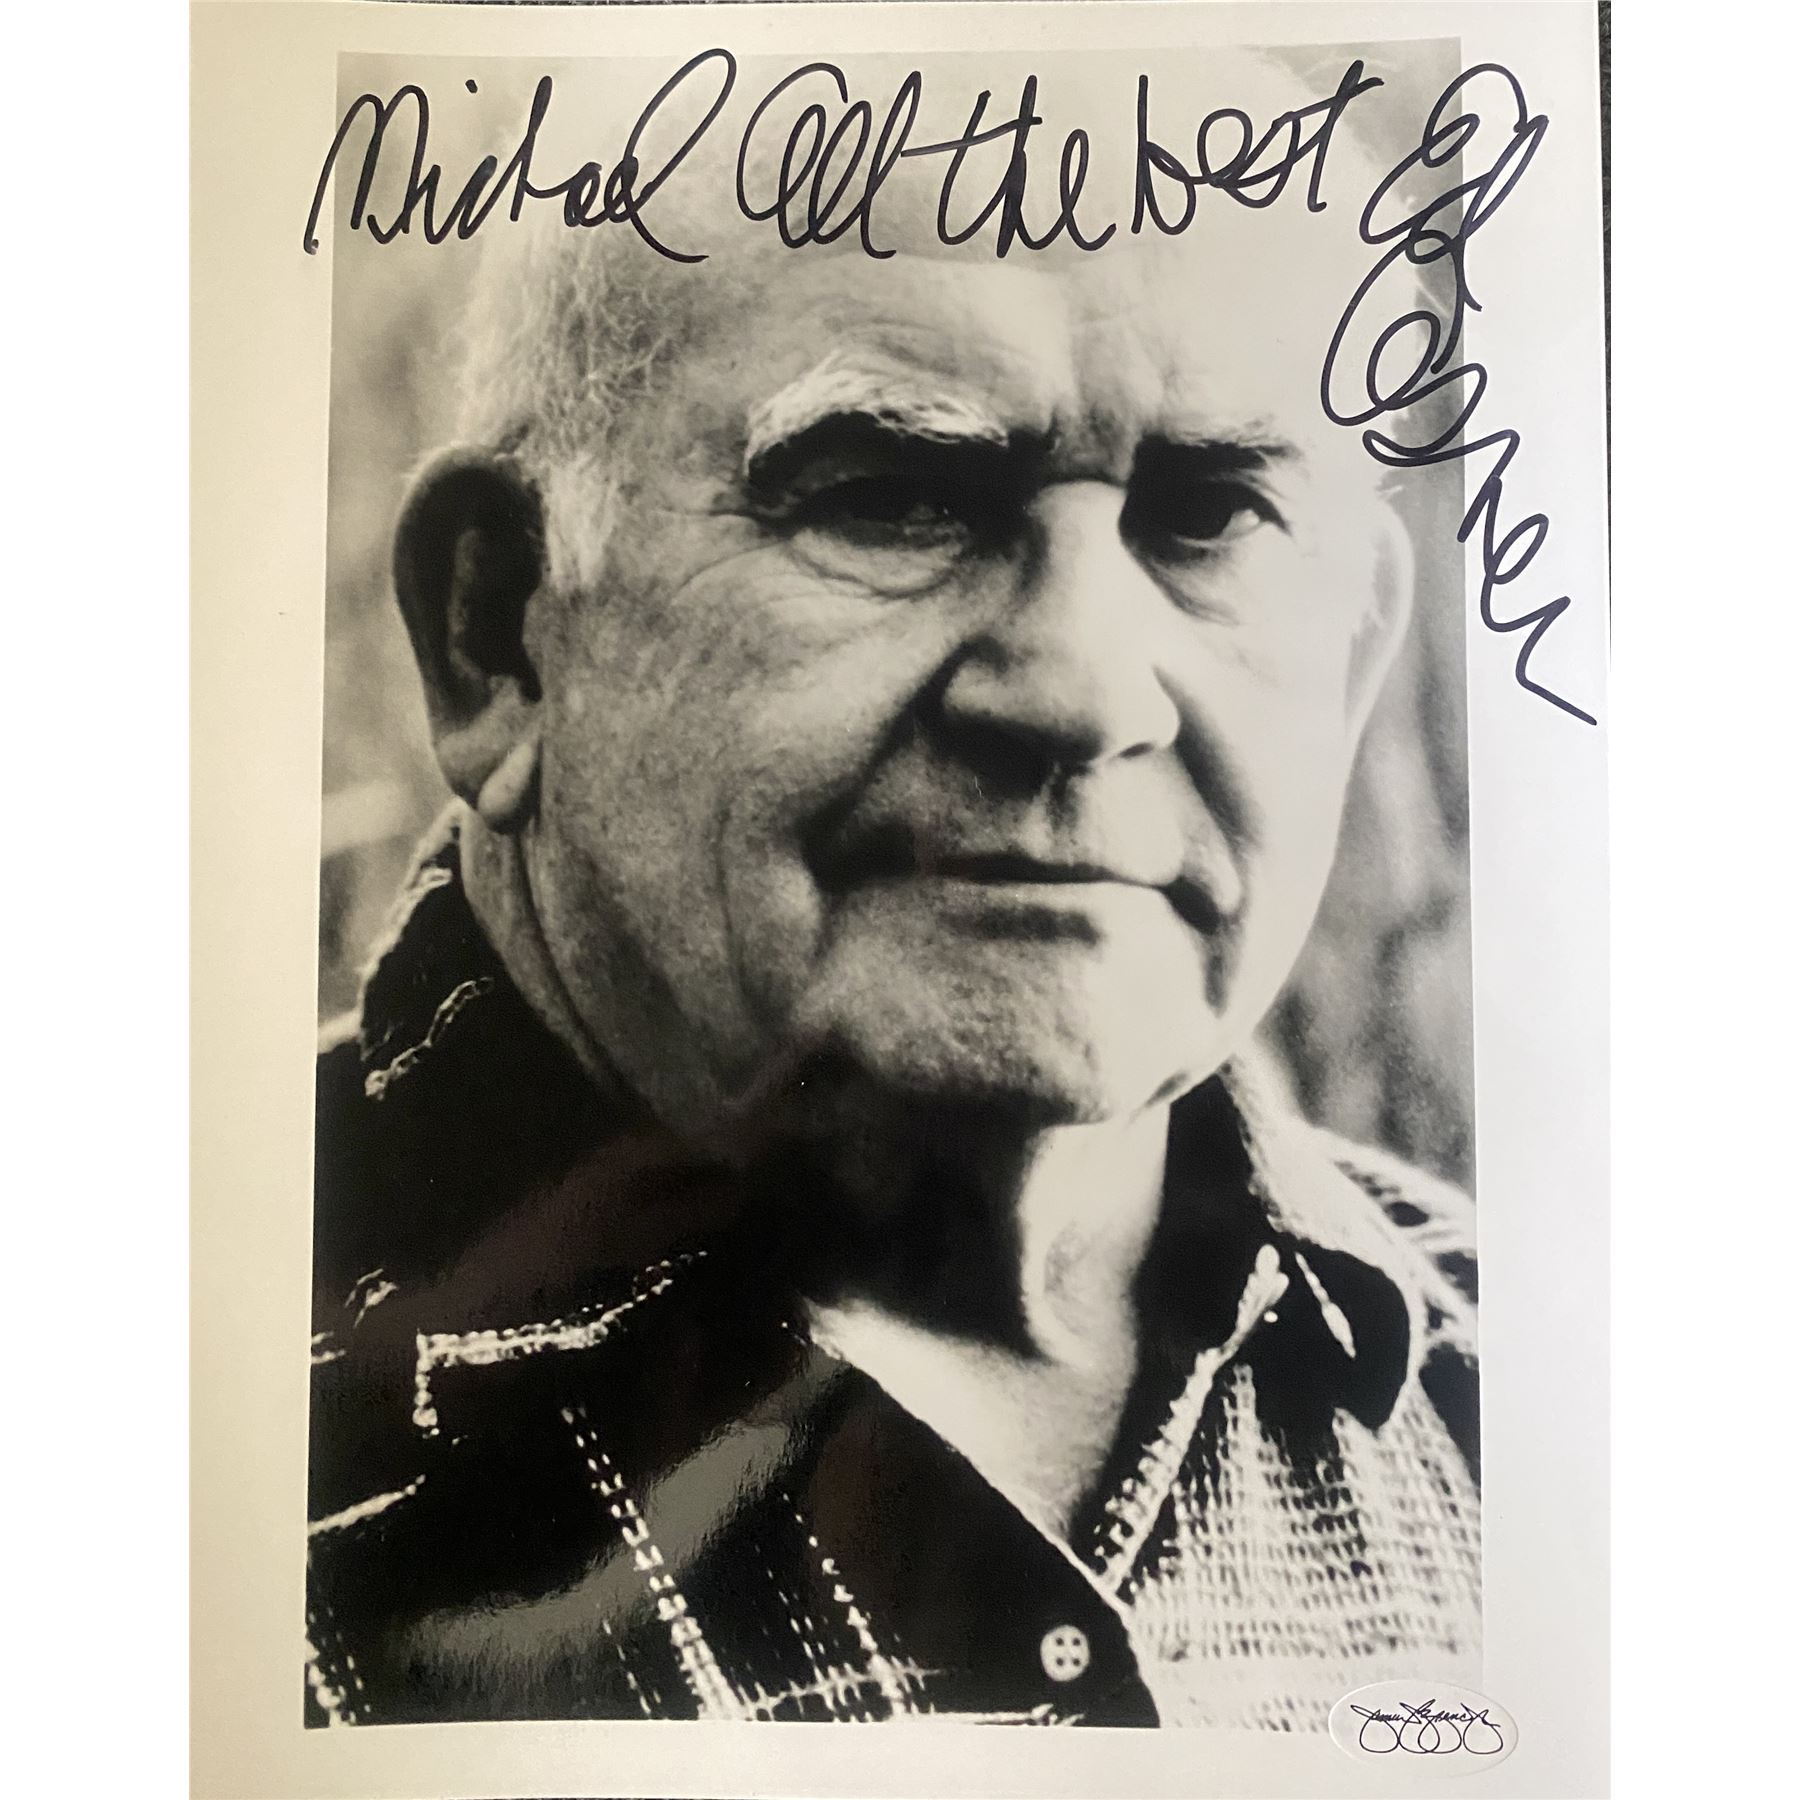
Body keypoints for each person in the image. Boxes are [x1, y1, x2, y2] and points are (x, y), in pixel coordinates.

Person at [305, 55, 1481, 1731]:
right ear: (498, 634)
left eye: (1212, 516)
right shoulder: (176, 1411)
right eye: (895, 498)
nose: (1083, 695)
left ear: (1356, 657)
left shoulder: (1553, 1413)